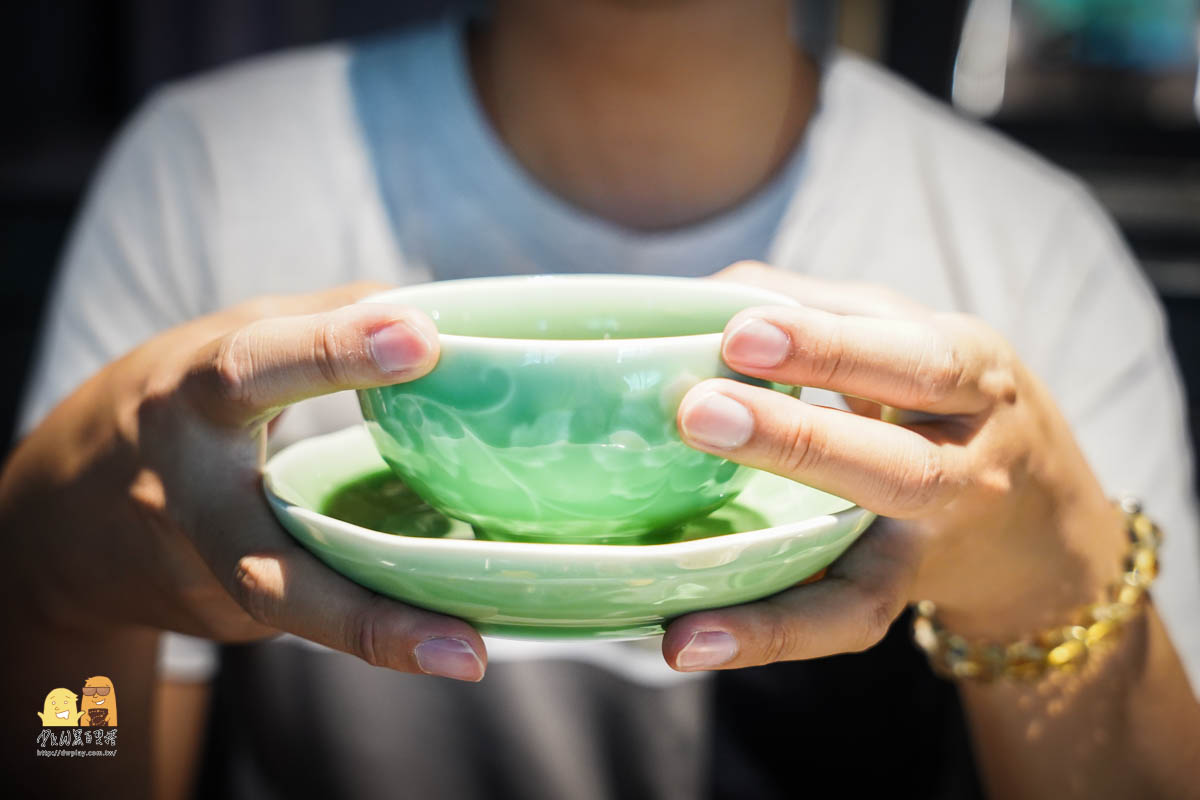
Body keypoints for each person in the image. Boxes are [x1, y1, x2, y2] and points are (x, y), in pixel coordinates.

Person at [4, 1, 1199, 798]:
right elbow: (75, 746)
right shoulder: (211, 175)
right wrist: (57, 591)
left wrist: (1052, 581)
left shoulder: (1028, 249)